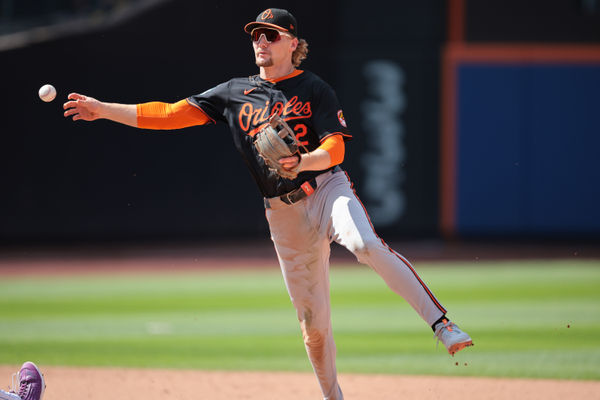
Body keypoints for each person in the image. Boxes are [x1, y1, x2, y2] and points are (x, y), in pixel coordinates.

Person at [63, 8, 472, 400]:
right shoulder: (233, 93)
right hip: (283, 214)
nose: (261, 41)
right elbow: (170, 114)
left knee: (365, 245)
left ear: (292, 42)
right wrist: (102, 110)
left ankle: (441, 324)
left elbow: (335, 149)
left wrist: (303, 162)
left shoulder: (313, 88)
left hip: (327, 188)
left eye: (270, 34)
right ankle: (333, 397)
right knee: (313, 326)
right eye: (256, 34)